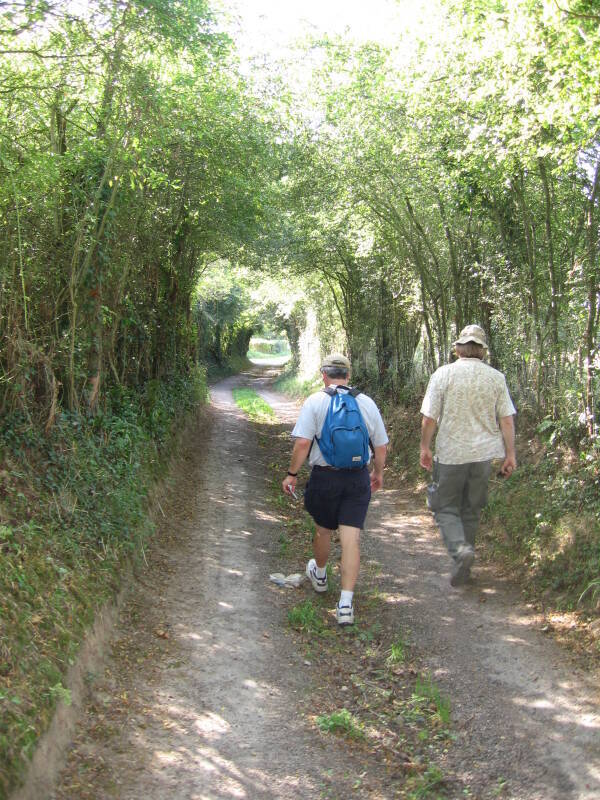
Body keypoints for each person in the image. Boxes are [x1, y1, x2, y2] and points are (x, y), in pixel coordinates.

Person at [282, 353, 388, 625]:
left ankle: (319, 573)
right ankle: (345, 605)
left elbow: (303, 444)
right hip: (357, 479)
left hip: (325, 478)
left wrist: (292, 474)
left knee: (323, 529)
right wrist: (377, 472)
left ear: (324, 375)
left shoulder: (316, 401)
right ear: (348, 376)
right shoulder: (365, 402)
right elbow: (380, 445)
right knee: (351, 539)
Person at [419, 325, 517, 586]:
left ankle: (461, 552)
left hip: (451, 453)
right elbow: (506, 420)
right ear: (482, 350)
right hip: (483, 456)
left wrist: (425, 447)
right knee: (471, 510)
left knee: (444, 506)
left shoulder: (443, 374)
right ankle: (465, 565)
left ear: (459, 348)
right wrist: (510, 455)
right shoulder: (496, 378)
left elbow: (429, 418)